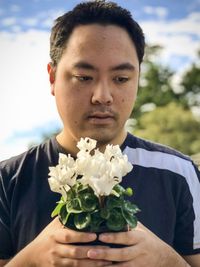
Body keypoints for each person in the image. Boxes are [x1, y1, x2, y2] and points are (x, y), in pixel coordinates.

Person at [0, 0, 200, 266]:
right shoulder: (8, 180)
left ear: (138, 79)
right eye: (84, 77)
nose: (102, 96)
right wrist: (29, 260)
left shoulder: (180, 173)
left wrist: (167, 259)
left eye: (121, 79)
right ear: (52, 77)